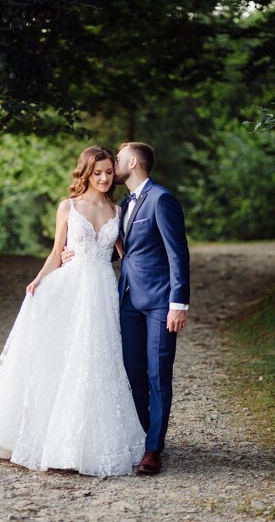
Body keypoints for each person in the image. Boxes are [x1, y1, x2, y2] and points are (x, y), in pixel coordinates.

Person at [0, 145, 145, 477]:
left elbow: (128, 254)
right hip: (71, 287)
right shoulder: (68, 206)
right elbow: (55, 253)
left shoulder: (117, 212)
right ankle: (45, 437)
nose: (104, 178)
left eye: (108, 172)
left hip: (102, 289)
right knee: (60, 357)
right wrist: (37, 280)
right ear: (86, 173)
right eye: (97, 172)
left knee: (95, 360)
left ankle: (84, 443)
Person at [63, 142, 190, 475]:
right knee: (131, 373)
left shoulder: (162, 200)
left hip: (161, 304)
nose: (112, 166)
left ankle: (153, 450)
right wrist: (74, 252)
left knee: (157, 374)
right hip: (127, 300)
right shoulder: (121, 204)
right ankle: (141, 436)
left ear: (132, 162)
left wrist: (178, 304)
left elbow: (178, 255)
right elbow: (124, 250)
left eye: (116, 161)